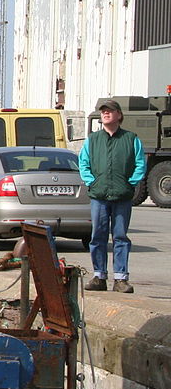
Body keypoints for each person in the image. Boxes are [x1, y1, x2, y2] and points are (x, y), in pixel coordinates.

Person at [79, 98, 146, 294]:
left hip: (122, 196)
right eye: (103, 111)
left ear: (119, 115)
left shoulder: (131, 139)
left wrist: (129, 183)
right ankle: (99, 276)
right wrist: (92, 181)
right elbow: (83, 164)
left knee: (120, 236)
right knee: (97, 236)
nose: (105, 114)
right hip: (99, 196)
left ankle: (121, 279)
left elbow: (140, 164)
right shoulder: (93, 140)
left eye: (109, 110)